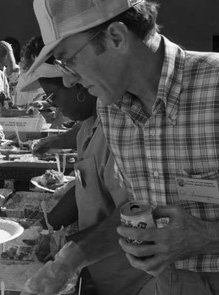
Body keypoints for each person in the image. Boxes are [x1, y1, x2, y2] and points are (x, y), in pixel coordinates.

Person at [27, 0, 219, 294]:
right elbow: (139, 212)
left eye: (69, 60)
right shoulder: (112, 111)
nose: (68, 78)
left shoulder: (214, 84)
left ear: (115, 37)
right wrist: (71, 258)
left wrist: (206, 235)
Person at [23, 62, 154, 295]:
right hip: (102, 274)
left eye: (54, 96)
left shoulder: (117, 134)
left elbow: (129, 215)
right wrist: (44, 227)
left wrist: (68, 251)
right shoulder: (87, 126)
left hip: (133, 280)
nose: (54, 106)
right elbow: (84, 189)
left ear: (78, 87)